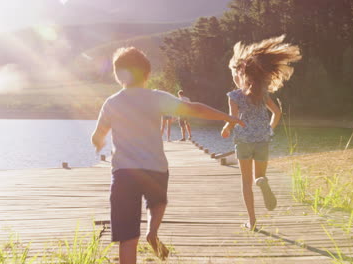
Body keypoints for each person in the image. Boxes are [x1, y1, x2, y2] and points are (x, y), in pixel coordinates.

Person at [91, 46, 244, 263]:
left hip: (124, 173)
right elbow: (195, 109)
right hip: (155, 169)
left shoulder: (112, 103)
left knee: (128, 239)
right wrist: (227, 117)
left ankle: (147, 236)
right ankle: (152, 232)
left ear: (118, 75)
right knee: (158, 203)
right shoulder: (156, 98)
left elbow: (98, 134)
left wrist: (98, 142)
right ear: (147, 74)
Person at [221, 35, 301, 230]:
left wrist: (226, 128)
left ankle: (252, 221)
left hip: (244, 142)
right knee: (259, 177)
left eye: (233, 74)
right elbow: (277, 112)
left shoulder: (234, 96)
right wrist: (269, 129)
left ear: (240, 74)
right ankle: (263, 181)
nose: (233, 77)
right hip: (262, 140)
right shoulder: (262, 93)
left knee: (246, 182)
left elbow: (234, 118)